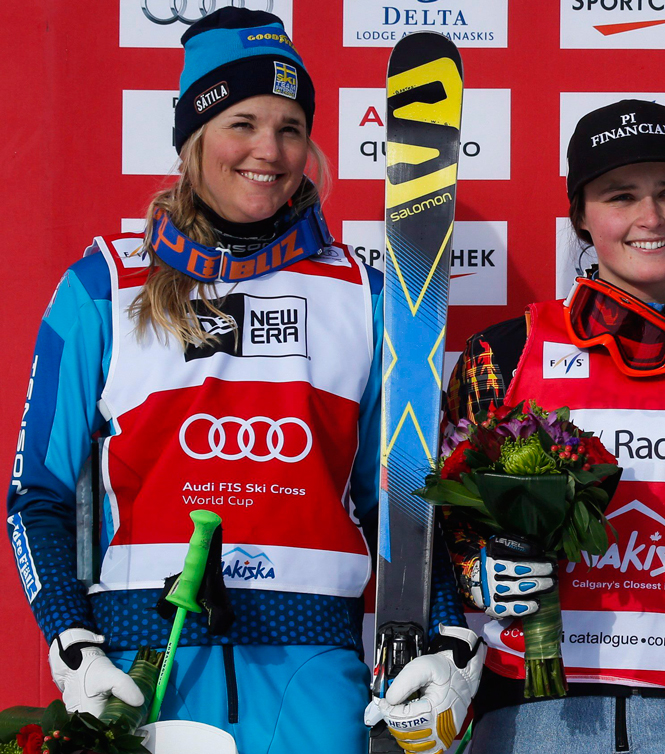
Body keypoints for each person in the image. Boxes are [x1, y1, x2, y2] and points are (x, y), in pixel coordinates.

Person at [3, 9, 478, 754]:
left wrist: (445, 629)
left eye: (291, 128)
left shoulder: (370, 293)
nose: (269, 150)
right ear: (193, 139)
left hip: (314, 668)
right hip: (148, 664)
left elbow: (405, 498)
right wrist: (71, 640)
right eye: (243, 122)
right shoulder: (104, 284)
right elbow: (37, 497)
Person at [370, 100, 665, 754]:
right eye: (621, 196)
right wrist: (480, 573)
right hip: (536, 709)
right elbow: (438, 530)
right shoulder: (507, 351)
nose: (650, 218)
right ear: (581, 216)